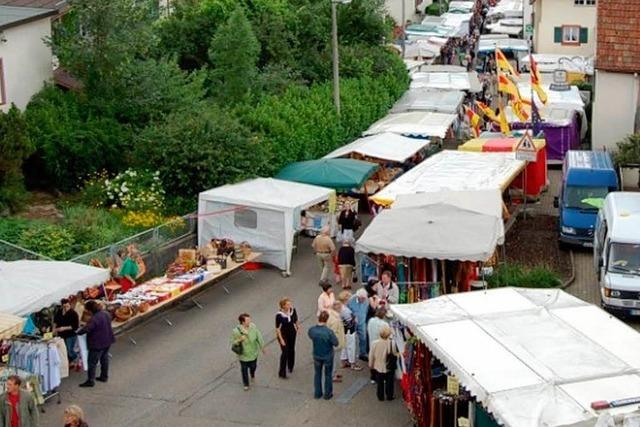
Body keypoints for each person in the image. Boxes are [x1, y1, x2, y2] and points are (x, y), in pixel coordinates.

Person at [77, 300, 115, 387]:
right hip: (107, 340)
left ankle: (90, 380)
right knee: (104, 359)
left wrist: (78, 332)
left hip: (97, 343)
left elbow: (87, 329)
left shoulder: (94, 318)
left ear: (90, 310)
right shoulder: (105, 313)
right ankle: (104, 376)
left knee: (92, 362)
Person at [307, 311, 339, 400]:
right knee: (328, 374)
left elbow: (310, 336)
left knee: (317, 373)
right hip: (327, 355)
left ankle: (317, 393)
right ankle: (327, 394)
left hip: (317, 354)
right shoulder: (329, 332)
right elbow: (336, 343)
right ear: (327, 320)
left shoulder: (312, 330)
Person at [230, 313, 265, 391]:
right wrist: (239, 340)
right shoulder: (236, 331)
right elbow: (232, 342)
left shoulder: (253, 327)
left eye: (250, 319)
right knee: (244, 369)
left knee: (253, 366)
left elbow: (258, 336)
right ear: (243, 322)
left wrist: (262, 346)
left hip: (253, 352)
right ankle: (246, 384)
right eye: (248, 320)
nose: (250, 321)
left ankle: (252, 374)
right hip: (243, 355)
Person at [368, 326, 397, 402]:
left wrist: (370, 364)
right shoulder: (392, 343)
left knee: (380, 383)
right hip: (389, 366)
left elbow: (371, 355)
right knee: (390, 382)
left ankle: (380, 396)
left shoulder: (374, 343)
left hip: (378, 366)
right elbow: (394, 353)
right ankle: (389, 396)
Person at [337, 292, 362, 371]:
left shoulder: (340, 307)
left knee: (344, 345)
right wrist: (355, 319)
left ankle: (343, 360)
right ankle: (352, 363)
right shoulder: (346, 310)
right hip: (349, 330)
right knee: (351, 346)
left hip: (343, 330)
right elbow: (351, 321)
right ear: (346, 300)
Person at [275, 298, 300, 379]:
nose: (290, 306)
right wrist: (281, 339)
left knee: (291, 349)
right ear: (283, 306)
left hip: (292, 332)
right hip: (283, 334)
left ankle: (290, 366)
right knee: (285, 352)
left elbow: (295, 320)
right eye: (288, 304)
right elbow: (277, 328)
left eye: (290, 304)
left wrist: (298, 327)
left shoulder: (293, 310)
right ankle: (282, 372)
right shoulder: (279, 315)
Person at [54, 298, 80, 368]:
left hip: (70, 335)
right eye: (64, 306)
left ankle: (76, 358)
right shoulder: (59, 312)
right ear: (62, 306)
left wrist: (64, 328)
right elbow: (55, 321)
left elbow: (75, 326)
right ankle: (69, 363)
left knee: (69, 350)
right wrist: (54, 330)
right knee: (63, 350)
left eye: (67, 306)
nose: (66, 308)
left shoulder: (73, 313)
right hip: (61, 335)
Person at [367, 307, 389, 383]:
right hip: (381, 345)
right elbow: (387, 334)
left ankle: (373, 378)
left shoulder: (371, 321)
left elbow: (368, 329)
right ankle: (381, 378)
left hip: (371, 342)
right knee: (381, 361)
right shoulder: (384, 324)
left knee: (373, 359)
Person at [347, 288, 370, 362]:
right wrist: (353, 317)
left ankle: (362, 354)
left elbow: (366, 311)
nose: (363, 300)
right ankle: (349, 356)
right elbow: (347, 311)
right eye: (362, 299)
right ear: (358, 297)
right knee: (351, 340)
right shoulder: (351, 301)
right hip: (353, 323)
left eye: (364, 298)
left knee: (363, 338)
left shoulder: (366, 301)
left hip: (362, 322)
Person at [327, 302, 346, 382]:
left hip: (332, 343)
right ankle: (332, 375)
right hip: (336, 344)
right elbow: (333, 333)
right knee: (334, 360)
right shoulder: (336, 320)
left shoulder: (330, 315)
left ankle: (333, 373)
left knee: (334, 359)